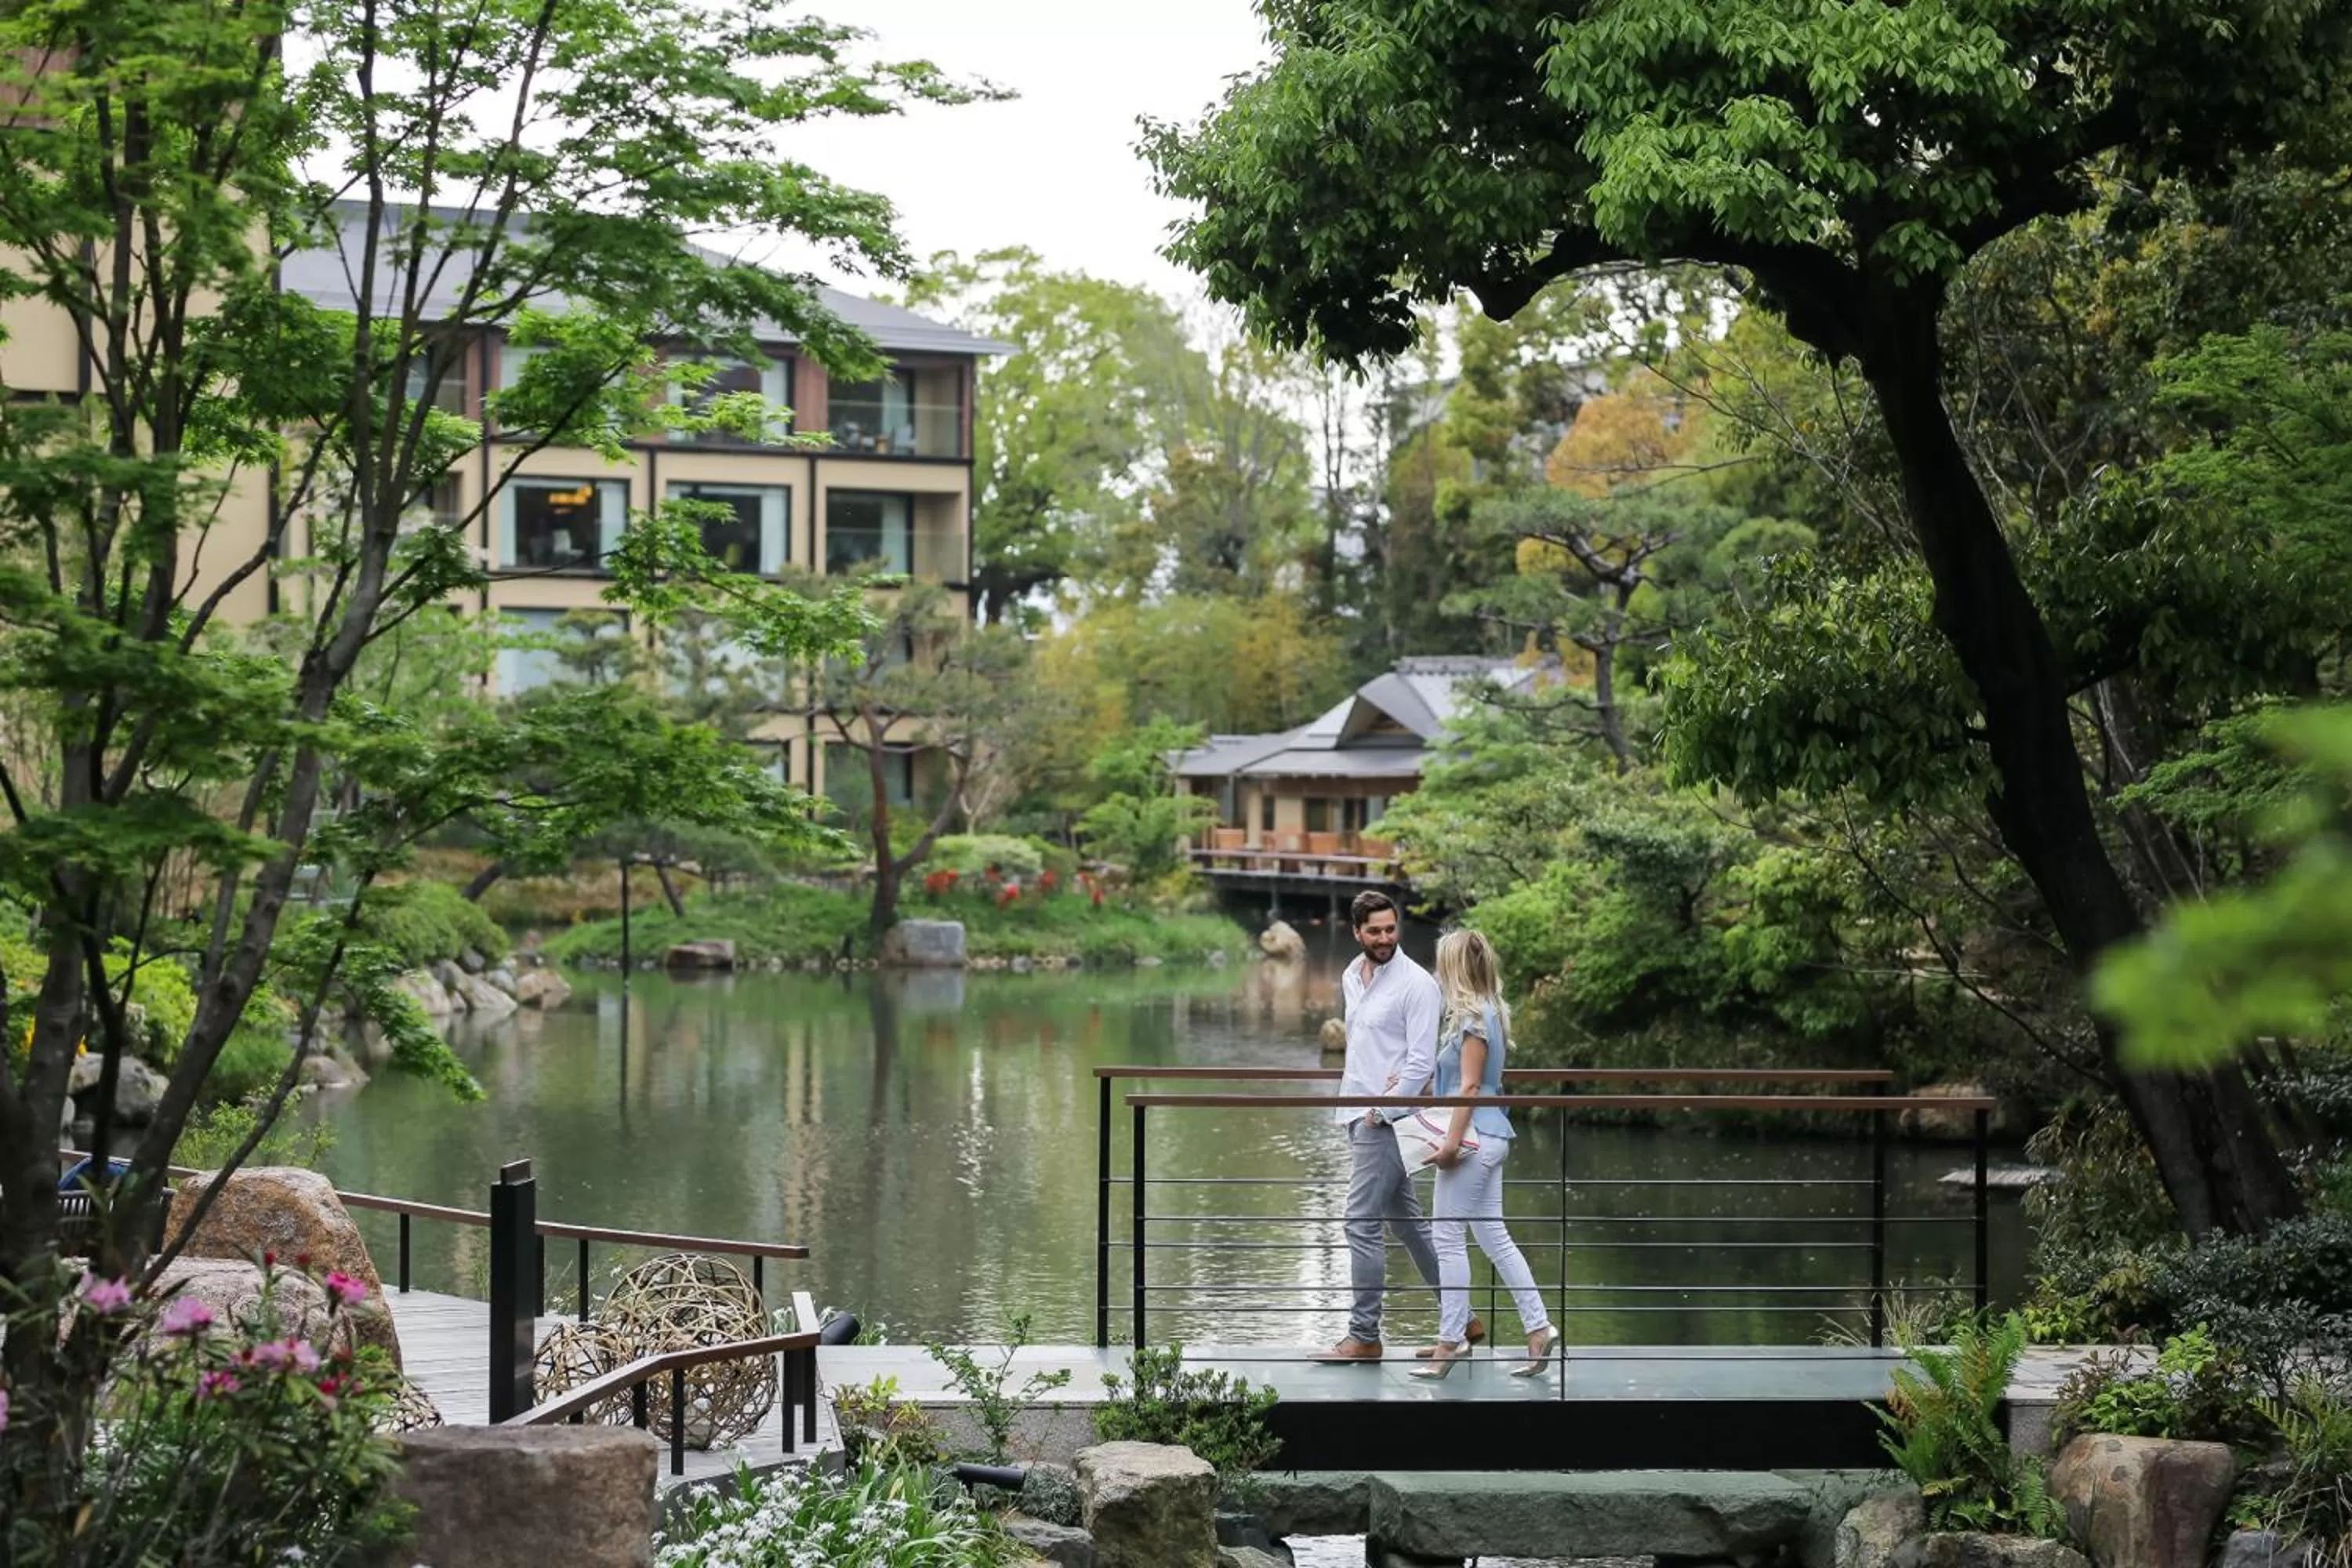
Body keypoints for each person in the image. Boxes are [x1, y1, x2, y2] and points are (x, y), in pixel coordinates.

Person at [1313, 891, 1482, 1362]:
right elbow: (1366, 1052)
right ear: (1357, 932)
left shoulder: (1417, 985)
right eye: (1375, 931)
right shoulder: (1352, 975)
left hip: (1385, 1120)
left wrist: (1382, 1111)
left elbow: (1420, 1062)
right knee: (1407, 1222)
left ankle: (1364, 1334)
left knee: (1360, 1222)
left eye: (1391, 929)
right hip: (1356, 1113)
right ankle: (1462, 1316)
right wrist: (1358, 1111)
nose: (1385, 938)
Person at [1410, 927, 1556, 1380]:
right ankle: (1539, 1328)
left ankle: (1450, 1341)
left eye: (1441, 964)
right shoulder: (1487, 1012)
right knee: (1494, 1236)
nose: (1436, 971)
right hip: (1491, 1133)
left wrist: (1451, 1142)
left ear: (1453, 967)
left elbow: (1471, 1086)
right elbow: (1463, 1083)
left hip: (1473, 1137)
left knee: (1448, 1237)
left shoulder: (1473, 1017)